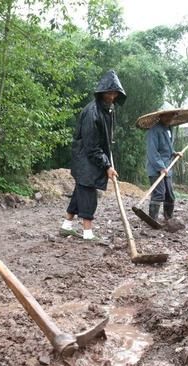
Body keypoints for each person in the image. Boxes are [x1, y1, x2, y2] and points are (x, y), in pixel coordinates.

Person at [59, 70, 126, 241]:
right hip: (85, 158)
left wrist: (108, 161)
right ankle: (88, 234)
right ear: (102, 92)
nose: (112, 96)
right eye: (109, 93)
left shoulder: (107, 110)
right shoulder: (92, 112)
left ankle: (66, 226)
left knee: (80, 191)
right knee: (88, 192)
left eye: (114, 93)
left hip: (91, 157)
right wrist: (107, 165)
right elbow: (91, 146)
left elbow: (105, 142)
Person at [145, 112, 181, 221]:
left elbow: (166, 148)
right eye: (167, 116)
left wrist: (174, 153)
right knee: (159, 193)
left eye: (172, 116)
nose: (169, 118)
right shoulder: (154, 131)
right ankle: (152, 219)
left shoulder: (169, 130)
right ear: (160, 116)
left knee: (170, 195)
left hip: (167, 167)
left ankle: (168, 219)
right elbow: (152, 151)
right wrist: (160, 167)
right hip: (155, 168)